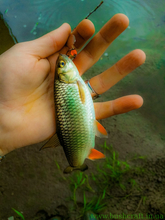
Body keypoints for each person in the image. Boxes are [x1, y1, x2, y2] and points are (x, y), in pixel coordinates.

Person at [0, 14, 146, 158]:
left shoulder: (69, 83)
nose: (62, 61)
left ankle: (78, 160)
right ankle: (79, 160)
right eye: (62, 64)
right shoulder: (70, 83)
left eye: (61, 64)